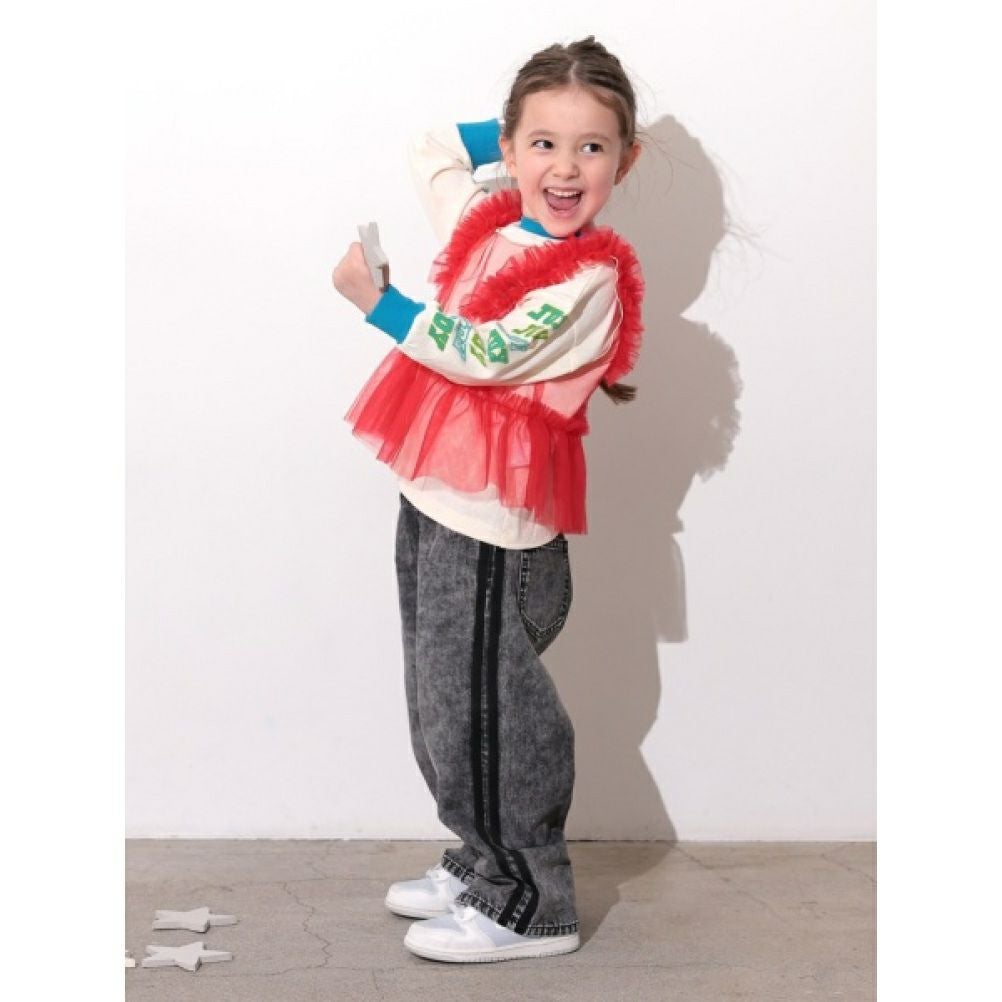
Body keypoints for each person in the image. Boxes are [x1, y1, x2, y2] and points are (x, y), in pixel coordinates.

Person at [331, 35, 646, 963]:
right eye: (543, 144)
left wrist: (380, 304)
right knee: (440, 704)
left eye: (592, 148)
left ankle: (530, 898)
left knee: (488, 713)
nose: (565, 168)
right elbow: (431, 146)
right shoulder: (488, 223)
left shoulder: (587, 280)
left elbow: (484, 353)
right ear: (508, 149)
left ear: (624, 161)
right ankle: (481, 860)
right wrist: (510, 136)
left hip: (497, 532)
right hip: (435, 499)